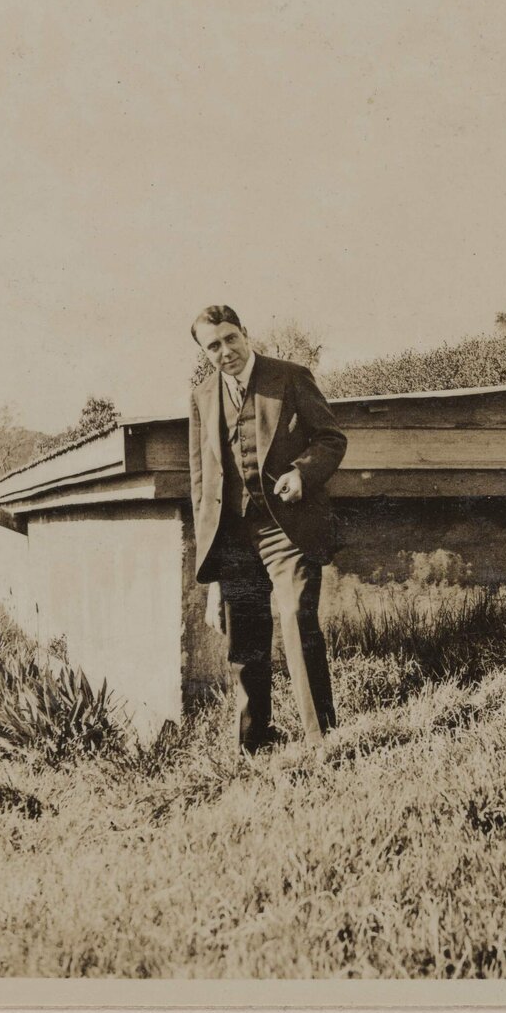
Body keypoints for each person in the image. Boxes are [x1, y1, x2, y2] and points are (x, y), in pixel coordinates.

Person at [188, 304, 348, 754]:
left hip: (287, 528)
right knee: (245, 633)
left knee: (297, 616)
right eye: (213, 346)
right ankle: (254, 741)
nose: (225, 352)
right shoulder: (202, 397)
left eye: (230, 339)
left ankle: (323, 739)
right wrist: (212, 566)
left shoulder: (291, 376)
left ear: (245, 333)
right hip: (234, 535)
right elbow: (201, 481)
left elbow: (331, 438)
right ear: (204, 352)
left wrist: (302, 472)